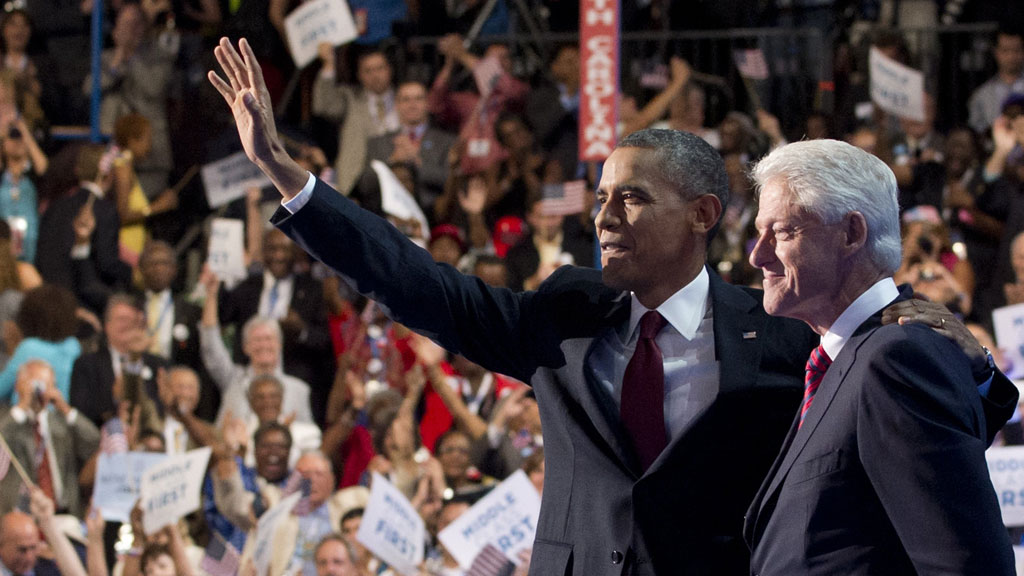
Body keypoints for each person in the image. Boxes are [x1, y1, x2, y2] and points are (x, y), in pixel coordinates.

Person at [209, 39, 1016, 575]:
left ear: (702, 214)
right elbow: (422, 285)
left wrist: (943, 335)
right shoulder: (562, 320)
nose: (604, 217)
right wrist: (289, 180)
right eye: (601, 197)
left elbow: (910, 432)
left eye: (632, 198)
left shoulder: (778, 333)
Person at [744, 139, 1014, 573]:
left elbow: (964, 562)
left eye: (781, 232)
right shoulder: (848, 355)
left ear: (851, 233)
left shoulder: (895, 359)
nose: (757, 255)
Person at [0, 359, 99, 517]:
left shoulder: (61, 422)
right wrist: (22, 407)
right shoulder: (9, 420)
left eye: (46, 385)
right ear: (18, 386)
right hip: (21, 514)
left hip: (63, 513)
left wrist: (65, 409)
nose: (39, 392)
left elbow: (94, 442)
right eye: (34, 384)